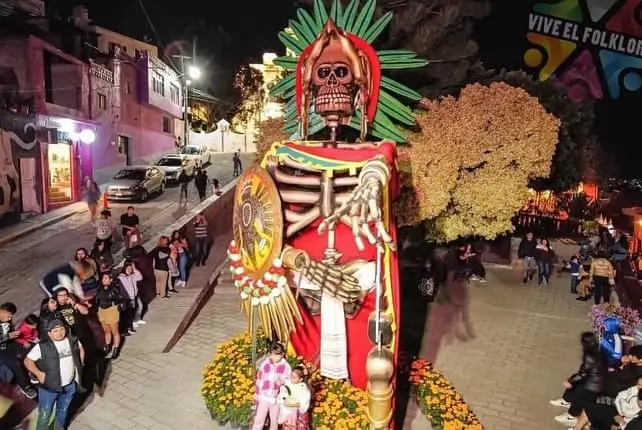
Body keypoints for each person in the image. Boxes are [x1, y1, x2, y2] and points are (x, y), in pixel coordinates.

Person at [24, 318, 85, 430]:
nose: (60, 333)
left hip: (69, 386)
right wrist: (39, 374)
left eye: (61, 329)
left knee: (63, 410)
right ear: (49, 333)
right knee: (45, 414)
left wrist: (80, 364)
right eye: (55, 331)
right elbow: (28, 361)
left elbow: (81, 348)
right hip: (49, 388)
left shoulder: (72, 340)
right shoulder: (42, 346)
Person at [552, 332, 606, 427]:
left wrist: (570, 381)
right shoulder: (598, 350)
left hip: (593, 384)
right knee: (575, 383)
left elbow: (583, 374)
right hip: (595, 379)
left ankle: (572, 416)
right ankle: (566, 400)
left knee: (579, 395)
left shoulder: (589, 355)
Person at [0, 302, 37, 398]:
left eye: (11, 317)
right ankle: (25, 387)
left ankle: (33, 372)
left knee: (31, 349)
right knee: (16, 363)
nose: (9, 319)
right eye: (8, 316)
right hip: (1, 350)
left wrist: (18, 338)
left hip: (9, 344)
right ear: (2, 311)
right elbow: (6, 336)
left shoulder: (7, 320)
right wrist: (7, 336)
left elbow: (11, 333)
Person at [252, 342, 291, 430]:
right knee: (259, 419)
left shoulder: (286, 367)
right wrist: (257, 395)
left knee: (274, 420)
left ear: (282, 355)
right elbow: (260, 380)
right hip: (264, 397)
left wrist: (282, 381)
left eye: (276, 355)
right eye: (272, 354)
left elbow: (289, 381)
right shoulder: (266, 363)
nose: (273, 357)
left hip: (276, 399)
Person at [94, 273, 122, 359]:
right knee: (106, 331)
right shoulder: (99, 288)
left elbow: (119, 298)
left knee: (115, 332)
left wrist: (113, 303)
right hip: (102, 311)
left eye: (106, 278)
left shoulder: (115, 288)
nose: (103, 280)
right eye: (103, 278)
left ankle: (115, 349)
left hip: (111, 310)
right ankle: (106, 348)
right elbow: (96, 299)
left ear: (111, 279)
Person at [278, 365, 312, 430]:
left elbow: (303, 404)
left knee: (298, 427)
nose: (291, 379)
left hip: (299, 414)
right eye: (291, 376)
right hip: (288, 412)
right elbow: (283, 393)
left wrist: (291, 404)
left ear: (300, 379)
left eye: (294, 377)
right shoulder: (289, 384)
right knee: (287, 427)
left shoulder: (304, 389)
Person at [118, 262, 143, 335]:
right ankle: (125, 329)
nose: (129, 270)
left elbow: (140, 277)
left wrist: (135, 269)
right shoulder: (121, 277)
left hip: (133, 297)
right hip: (126, 299)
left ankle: (130, 327)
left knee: (131, 313)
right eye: (128, 268)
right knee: (126, 315)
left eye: (131, 269)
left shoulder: (132, 276)